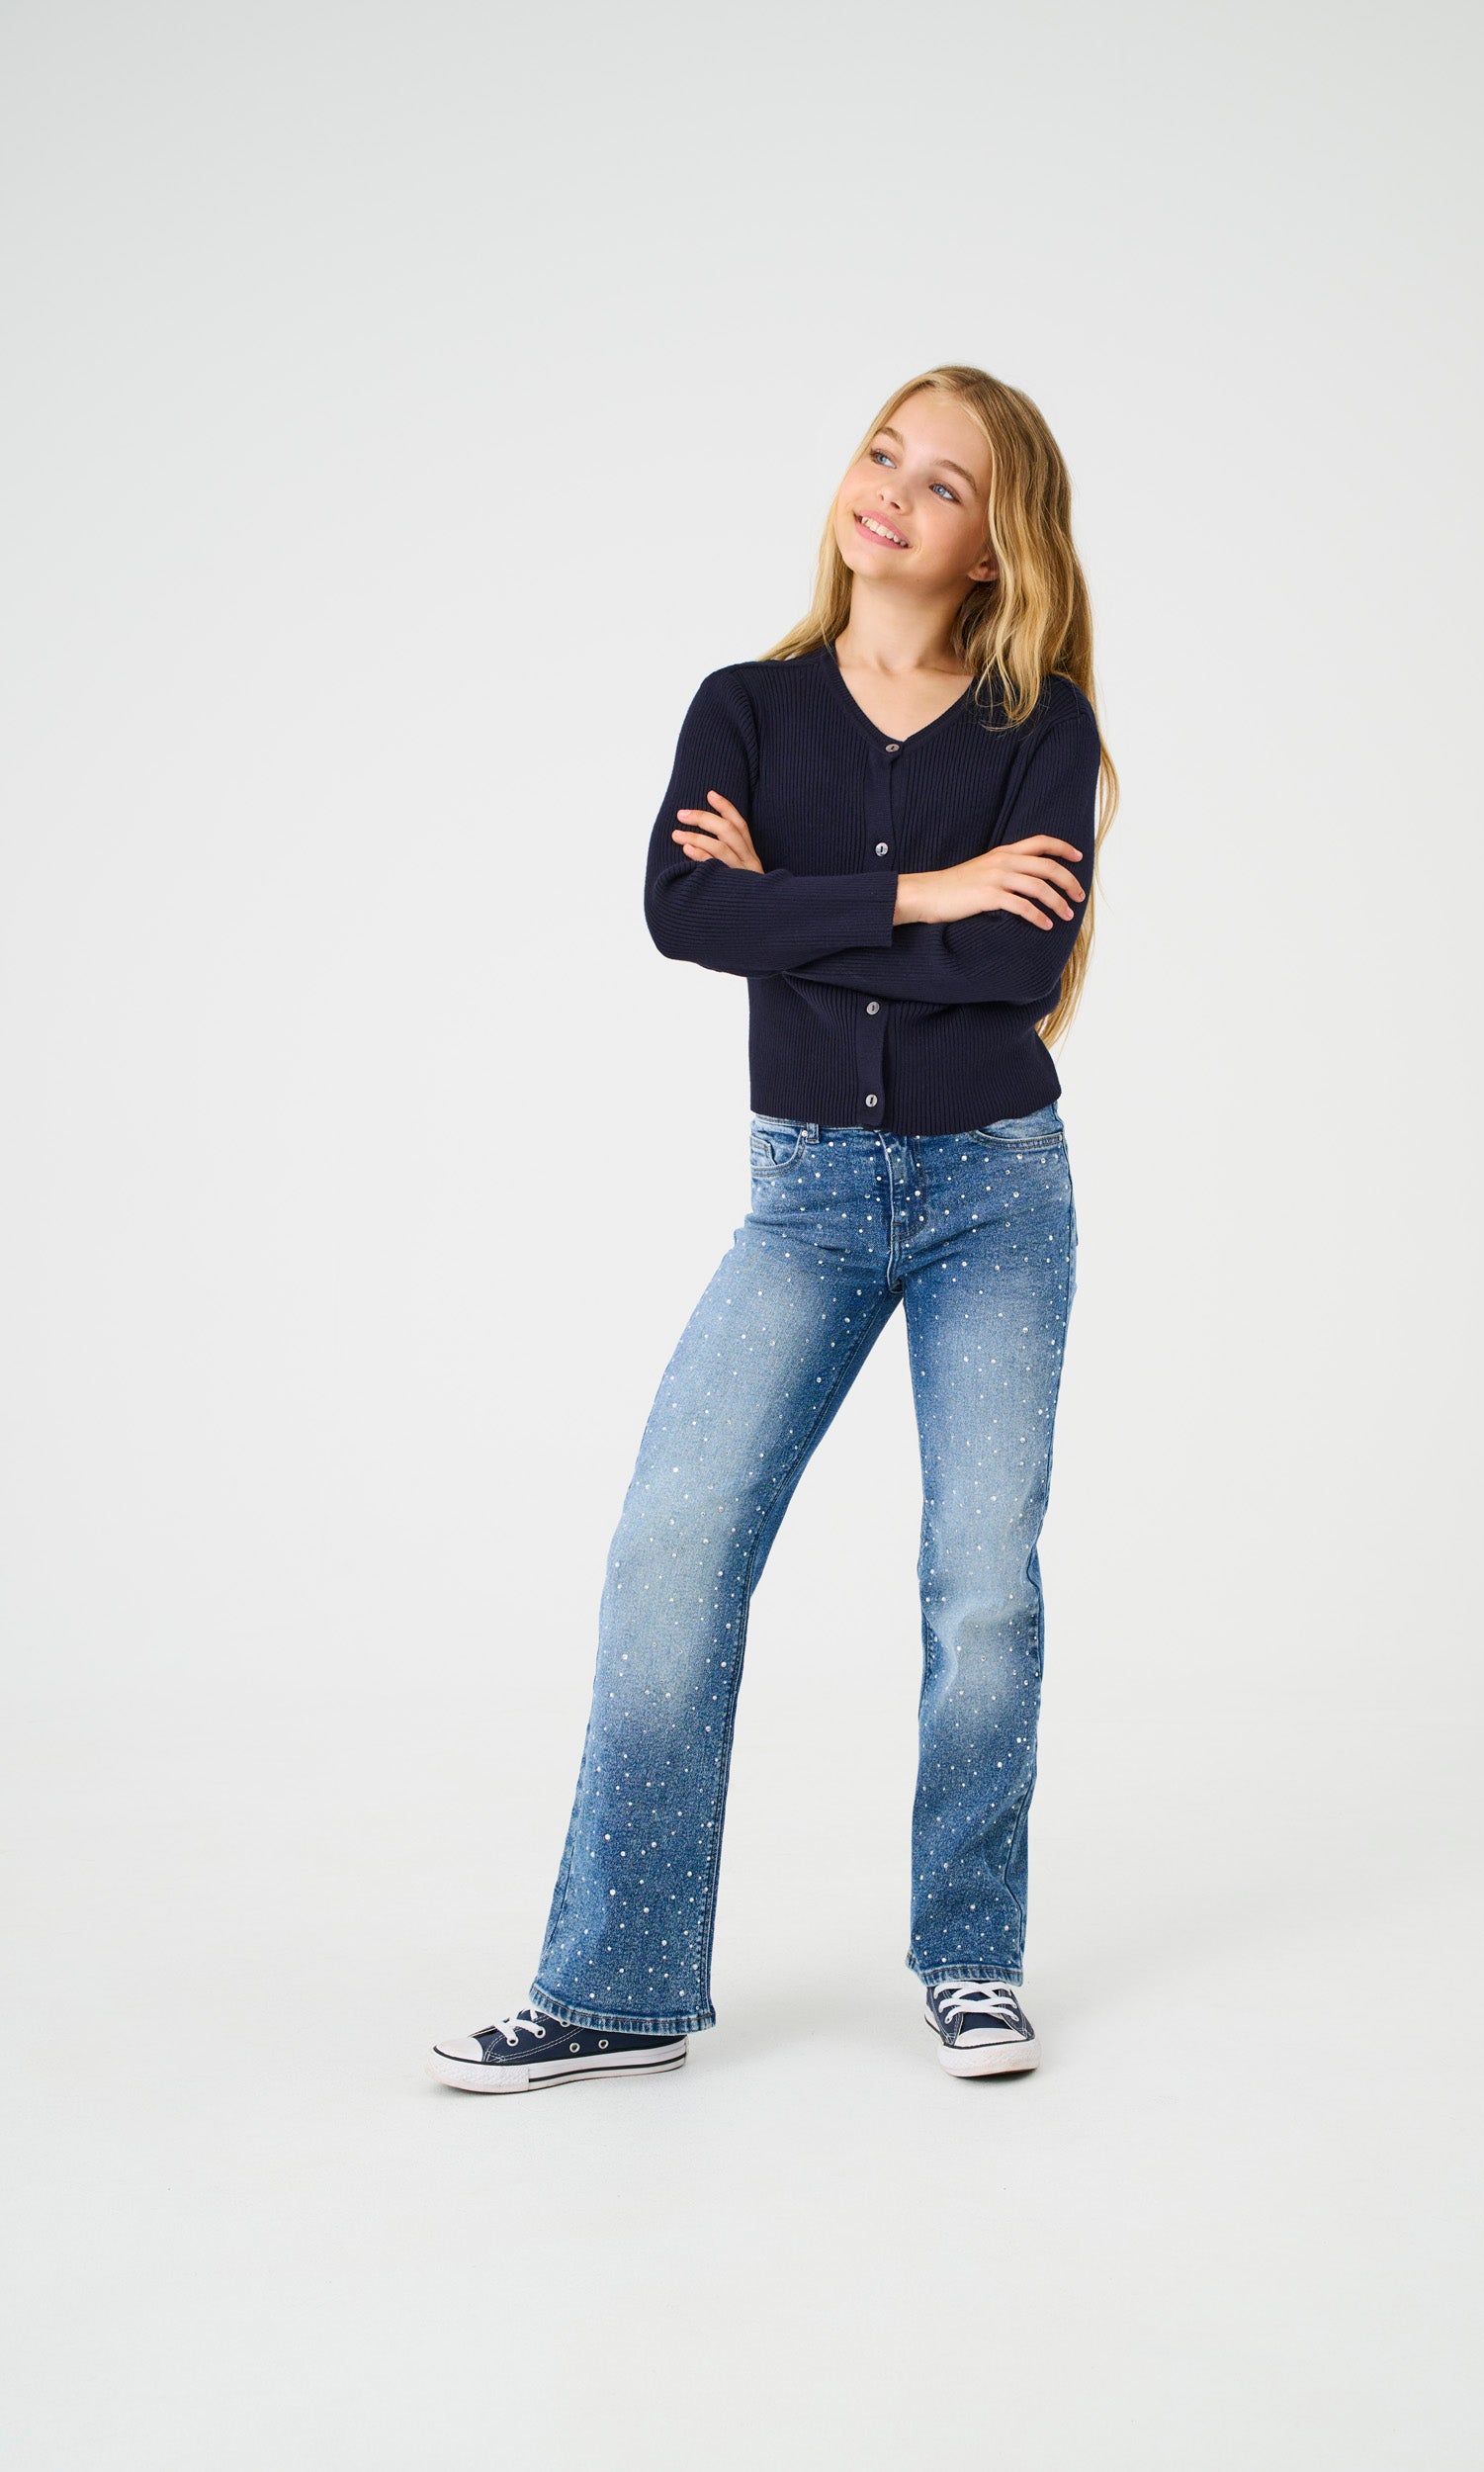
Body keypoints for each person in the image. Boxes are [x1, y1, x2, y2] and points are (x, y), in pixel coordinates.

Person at [428, 363, 1119, 2093]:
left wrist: (789, 905)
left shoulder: (1042, 729)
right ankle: (619, 1990)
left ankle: (973, 1962)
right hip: (804, 1197)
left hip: (995, 1192)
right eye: (883, 452)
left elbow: (1016, 962)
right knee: (673, 1546)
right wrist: (924, 889)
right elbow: (682, 911)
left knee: (981, 1585)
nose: (892, 489)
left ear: (993, 547)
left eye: (943, 482)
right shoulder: (744, 707)